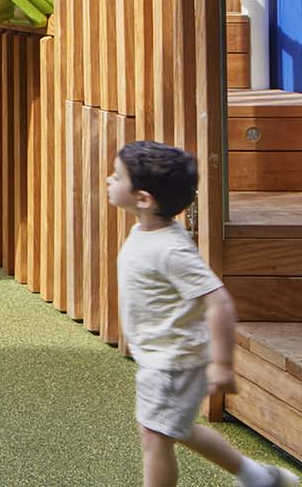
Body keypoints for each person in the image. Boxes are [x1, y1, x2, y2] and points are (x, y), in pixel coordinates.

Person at [107, 140, 298, 487]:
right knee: (174, 429)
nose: (109, 180)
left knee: (155, 437)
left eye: (117, 176)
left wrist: (222, 363)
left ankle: (256, 477)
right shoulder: (148, 230)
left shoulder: (170, 249)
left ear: (144, 199)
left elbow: (219, 301)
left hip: (173, 362)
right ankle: (258, 477)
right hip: (162, 357)